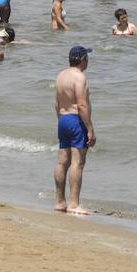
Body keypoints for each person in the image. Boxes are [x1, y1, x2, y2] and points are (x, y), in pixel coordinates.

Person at [54, 45, 95, 214]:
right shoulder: (80, 77)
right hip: (76, 120)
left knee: (62, 162)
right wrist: (90, 128)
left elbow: (56, 104)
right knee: (78, 163)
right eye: (87, 58)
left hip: (63, 119)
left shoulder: (61, 75)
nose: (88, 61)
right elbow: (82, 105)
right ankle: (74, 203)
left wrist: (62, 121)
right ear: (82, 59)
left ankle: (60, 201)